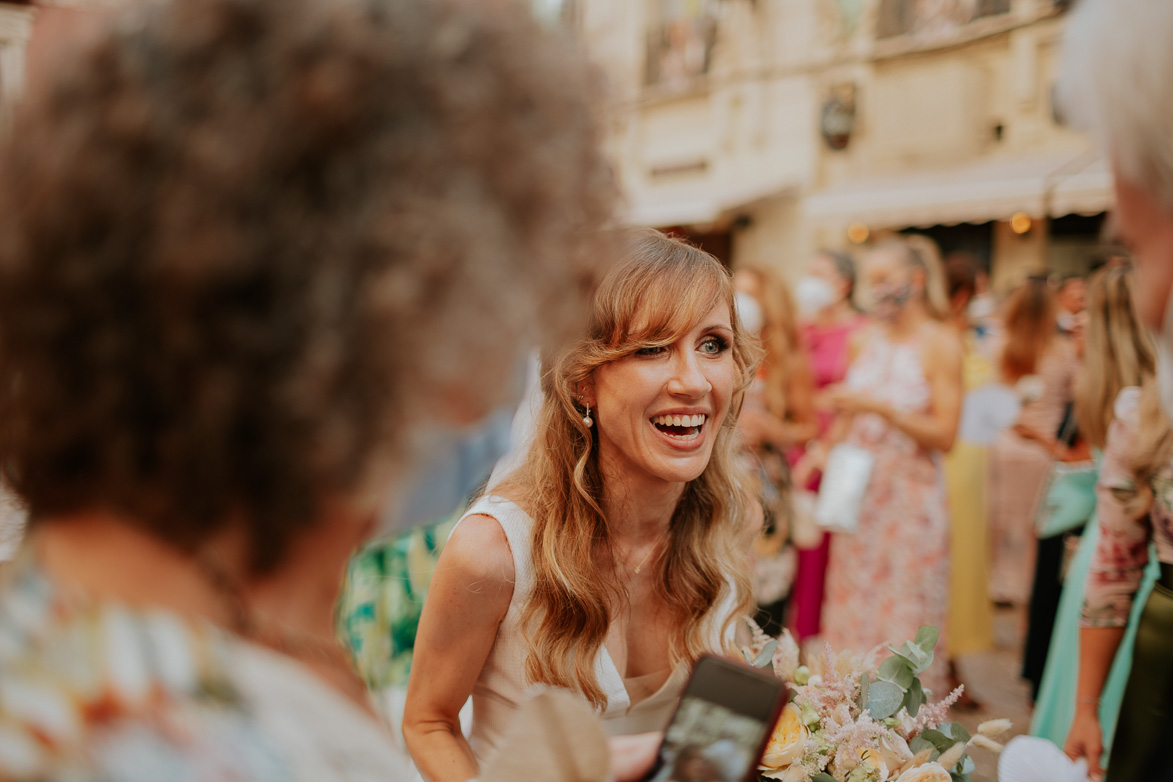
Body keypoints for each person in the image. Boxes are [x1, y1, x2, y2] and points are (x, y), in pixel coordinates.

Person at [0, 0, 663, 779]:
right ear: (396, 325)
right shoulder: (183, 746)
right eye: (511, 307)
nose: (516, 368)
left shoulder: (99, 617)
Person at [402, 229, 760, 781]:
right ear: (581, 382)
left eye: (712, 345)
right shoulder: (494, 553)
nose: (693, 381)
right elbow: (428, 722)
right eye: (652, 348)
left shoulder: (731, 524)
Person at [1057, 1, 1173, 777]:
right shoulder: (1148, 413)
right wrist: (1087, 703)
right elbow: (1114, 566)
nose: (1150, 300)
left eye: (1142, 246)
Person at [817, 236, 963, 696]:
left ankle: (902, 733)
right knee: (852, 610)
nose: (876, 290)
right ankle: (845, 725)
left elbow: (946, 434)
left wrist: (877, 408)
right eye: (870, 281)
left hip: (909, 503)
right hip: (861, 499)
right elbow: (845, 419)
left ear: (915, 281)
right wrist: (822, 453)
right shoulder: (863, 340)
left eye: (884, 280)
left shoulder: (940, 343)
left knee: (903, 616)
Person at [1029, 266, 1160, 761]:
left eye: (1089, 313)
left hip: (1130, 570)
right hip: (1105, 565)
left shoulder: (1135, 399)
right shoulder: (1107, 388)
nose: (1075, 322)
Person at [733, 265, 817, 633]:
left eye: (750, 293)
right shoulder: (718, 348)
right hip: (719, 475)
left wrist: (773, 430)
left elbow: (810, 426)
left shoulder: (787, 360)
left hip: (764, 481)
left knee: (767, 591)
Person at [789, 250, 867, 644]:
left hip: (839, 453)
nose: (810, 281)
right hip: (799, 443)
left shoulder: (862, 332)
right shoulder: (802, 330)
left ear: (843, 283)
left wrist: (823, 450)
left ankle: (824, 641)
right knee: (799, 552)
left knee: (830, 553)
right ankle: (796, 638)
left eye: (819, 273)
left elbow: (857, 399)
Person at [987, 278, 1077, 607]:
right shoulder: (1063, 351)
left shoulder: (998, 345)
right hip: (1042, 449)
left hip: (1002, 445)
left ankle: (996, 586)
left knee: (997, 525)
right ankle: (1028, 600)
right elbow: (1074, 398)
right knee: (1033, 530)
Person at [941, 253, 995, 705]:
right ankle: (947, 666)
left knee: (966, 562)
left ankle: (953, 664)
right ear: (962, 296)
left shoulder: (964, 338)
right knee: (950, 562)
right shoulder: (946, 342)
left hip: (974, 460)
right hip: (953, 463)